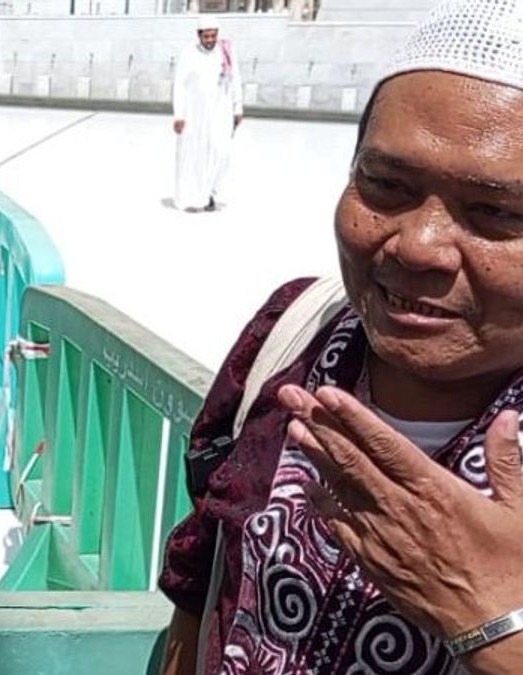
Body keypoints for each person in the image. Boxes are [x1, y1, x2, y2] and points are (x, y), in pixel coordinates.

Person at [159, 1, 523, 673]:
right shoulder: (294, 335)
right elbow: (205, 569)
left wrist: (496, 623)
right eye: (385, 185)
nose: (418, 247)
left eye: (496, 212)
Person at [172, 15, 242, 212]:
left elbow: (235, 79)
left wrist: (238, 108)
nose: (210, 40)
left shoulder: (226, 51)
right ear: (199, 35)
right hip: (195, 114)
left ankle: (211, 191)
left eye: (214, 36)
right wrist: (179, 115)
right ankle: (193, 198)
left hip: (221, 111)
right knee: (193, 156)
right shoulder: (188, 54)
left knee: (222, 153)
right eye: (207, 36)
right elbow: (179, 85)